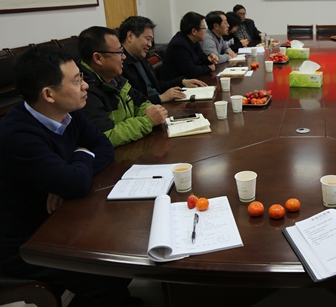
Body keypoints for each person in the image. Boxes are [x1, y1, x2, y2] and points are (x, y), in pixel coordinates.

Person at [0, 46, 141, 307]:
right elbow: (75, 183)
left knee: (124, 249)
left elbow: (104, 147)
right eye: (76, 81)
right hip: (27, 240)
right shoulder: (17, 134)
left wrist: (66, 174)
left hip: (63, 219)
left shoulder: (70, 112)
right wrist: (78, 160)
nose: (85, 86)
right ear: (48, 94)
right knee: (107, 272)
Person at [77, 26, 168, 147]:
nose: (124, 57)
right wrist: (148, 120)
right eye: (119, 52)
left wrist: (152, 112)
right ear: (98, 58)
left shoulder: (114, 77)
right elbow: (106, 136)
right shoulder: (84, 90)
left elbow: (141, 102)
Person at [118, 16, 206, 104]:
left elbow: (157, 86)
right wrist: (160, 98)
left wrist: (182, 82)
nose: (150, 44)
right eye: (148, 39)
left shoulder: (141, 59)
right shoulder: (119, 65)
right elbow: (129, 102)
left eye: (151, 40)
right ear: (130, 36)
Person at [161, 12, 218, 81]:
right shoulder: (179, 45)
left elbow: (201, 58)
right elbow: (191, 71)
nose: (205, 31)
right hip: (177, 84)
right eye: (204, 28)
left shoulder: (194, 40)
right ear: (194, 31)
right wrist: (209, 68)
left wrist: (208, 59)